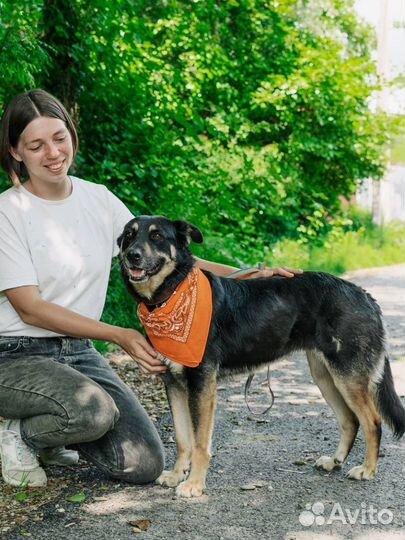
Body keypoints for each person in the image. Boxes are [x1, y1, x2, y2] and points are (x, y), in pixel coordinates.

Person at [0, 89, 299, 488]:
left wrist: (248, 274)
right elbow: (30, 309)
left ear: (71, 134)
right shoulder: (8, 213)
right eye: (36, 145)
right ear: (17, 152)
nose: (53, 152)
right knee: (93, 413)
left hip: (78, 352)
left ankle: (54, 430)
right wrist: (119, 334)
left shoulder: (98, 199)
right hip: (15, 354)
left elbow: (169, 255)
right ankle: (17, 432)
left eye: (59, 138)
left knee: (143, 464)